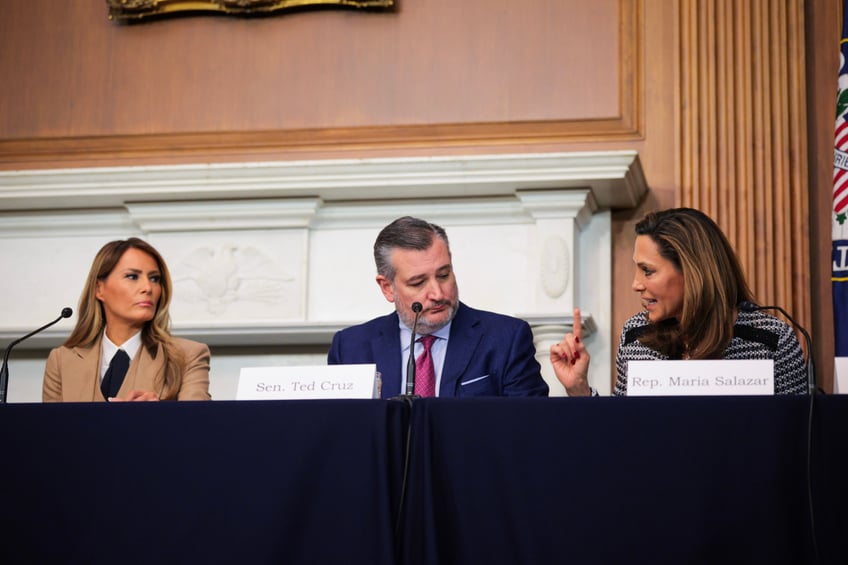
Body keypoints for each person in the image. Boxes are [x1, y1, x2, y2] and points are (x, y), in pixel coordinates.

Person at [552, 207, 807, 396]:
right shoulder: (636, 336)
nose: (636, 284)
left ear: (693, 272)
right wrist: (579, 389)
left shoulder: (772, 341)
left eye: (647, 271)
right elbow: (619, 432)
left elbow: (796, 445)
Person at [327, 216, 549, 398]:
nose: (438, 293)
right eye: (418, 283)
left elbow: (529, 429)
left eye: (444, 275)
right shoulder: (350, 348)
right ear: (387, 287)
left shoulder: (506, 339)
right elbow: (339, 434)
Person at [43, 238, 211, 402]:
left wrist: (160, 416)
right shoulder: (61, 361)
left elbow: (197, 427)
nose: (147, 288)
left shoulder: (188, 357)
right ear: (99, 289)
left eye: (154, 279)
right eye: (132, 276)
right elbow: (50, 430)